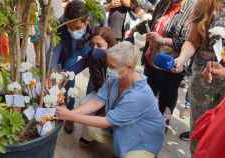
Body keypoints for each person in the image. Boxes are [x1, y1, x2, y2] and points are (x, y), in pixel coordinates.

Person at [56, 42, 165, 158]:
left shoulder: (139, 95)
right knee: (91, 126)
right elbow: (97, 102)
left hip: (143, 141)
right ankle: (120, 144)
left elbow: (106, 122)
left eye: (113, 66)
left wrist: (70, 116)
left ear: (129, 67)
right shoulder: (115, 79)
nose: (108, 69)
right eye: (108, 65)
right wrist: (70, 113)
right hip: (126, 129)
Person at [128, 0, 195, 126]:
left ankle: (160, 127)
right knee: (146, 95)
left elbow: (189, 41)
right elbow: (152, 22)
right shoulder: (163, 3)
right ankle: (142, 125)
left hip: (171, 66)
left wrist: (162, 40)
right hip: (152, 60)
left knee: (166, 100)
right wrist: (135, 29)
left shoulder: (192, 9)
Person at [173, 0, 225, 154]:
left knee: (219, 135)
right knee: (199, 128)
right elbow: (193, 41)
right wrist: (181, 59)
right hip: (203, 79)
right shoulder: (206, 4)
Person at [50, 0, 92, 134]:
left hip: (89, 49)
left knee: (92, 85)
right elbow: (54, 49)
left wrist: (68, 72)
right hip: (70, 51)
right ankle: (70, 113)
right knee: (69, 81)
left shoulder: (98, 19)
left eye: (77, 28)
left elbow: (89, 57)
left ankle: (81, 115)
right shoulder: (60, 23)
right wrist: (50, 72)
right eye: (70, 28)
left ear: (87, 22)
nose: (73, 31)